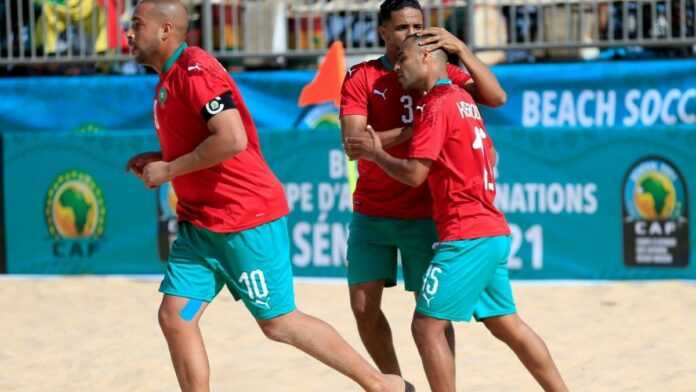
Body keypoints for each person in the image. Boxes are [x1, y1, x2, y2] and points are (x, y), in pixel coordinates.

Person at [124, 1, 413, 391]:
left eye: (137, 24)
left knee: (279, 323)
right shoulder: (169, 78)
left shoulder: (195, 70)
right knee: (177, 316)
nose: (127, 32)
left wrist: (170, 170)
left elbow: (231, 138)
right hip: (203, 226)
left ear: (165, 30)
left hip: (244, 219)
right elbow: (205, 143)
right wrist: (160, 159)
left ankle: (381, 385)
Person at [344, 33, 569, 392]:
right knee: (508, 325)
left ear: (430, 57)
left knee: (426, 326)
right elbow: (489, 155)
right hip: (490, 229)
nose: (397, 67)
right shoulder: (464, 100)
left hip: (467, 235)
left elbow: (415, 174)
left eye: (404, 59)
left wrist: (376, 153)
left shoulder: (437, 104)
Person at [339, 0, 507, 377]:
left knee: (432, 315)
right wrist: (420, 131)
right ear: (383, 32)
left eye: (418, 25)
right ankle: (395, 384)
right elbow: (353, 144)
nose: (412, 33)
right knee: (364, 307)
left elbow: (496, 97)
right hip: (373, 208)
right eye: (401, 27)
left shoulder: (432, 65)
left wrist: (462, 49)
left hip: (425, 210)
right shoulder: (362, 76)